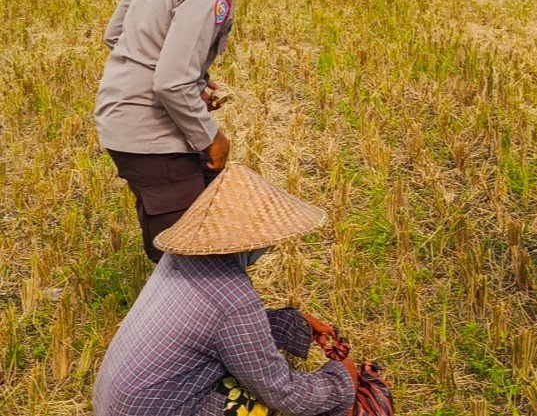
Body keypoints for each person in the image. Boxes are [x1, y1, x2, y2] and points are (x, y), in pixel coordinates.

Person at [93, 164, 393, 416]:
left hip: (117, 405)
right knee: (252, 400)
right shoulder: (233, 299)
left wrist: (296, 323)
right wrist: (341, 380)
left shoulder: (179, 258)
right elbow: (284, 393)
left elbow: (221, 332)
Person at [94, 0, 294, 262]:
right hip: (152, 136)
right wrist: (211, 138)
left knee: (196, 242)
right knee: (194, 261)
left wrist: (195, 82)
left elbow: (116, 35)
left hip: (120, 123)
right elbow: (171, 81)